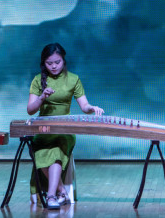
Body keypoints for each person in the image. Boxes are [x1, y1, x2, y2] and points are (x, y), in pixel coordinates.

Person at [26, 43, 104, 209]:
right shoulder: (38, 80)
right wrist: (42, 97)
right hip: (43, 129)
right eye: (49, 63)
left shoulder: (73, 79)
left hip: (64, 130)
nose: (54, 66)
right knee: (39, 150)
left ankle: (51, 196)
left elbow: (84, 106)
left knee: (55, 151)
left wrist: (91, 108)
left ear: (63, 61)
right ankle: (61, 191)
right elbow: (30, 110)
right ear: (44, 63)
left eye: (57, 62)